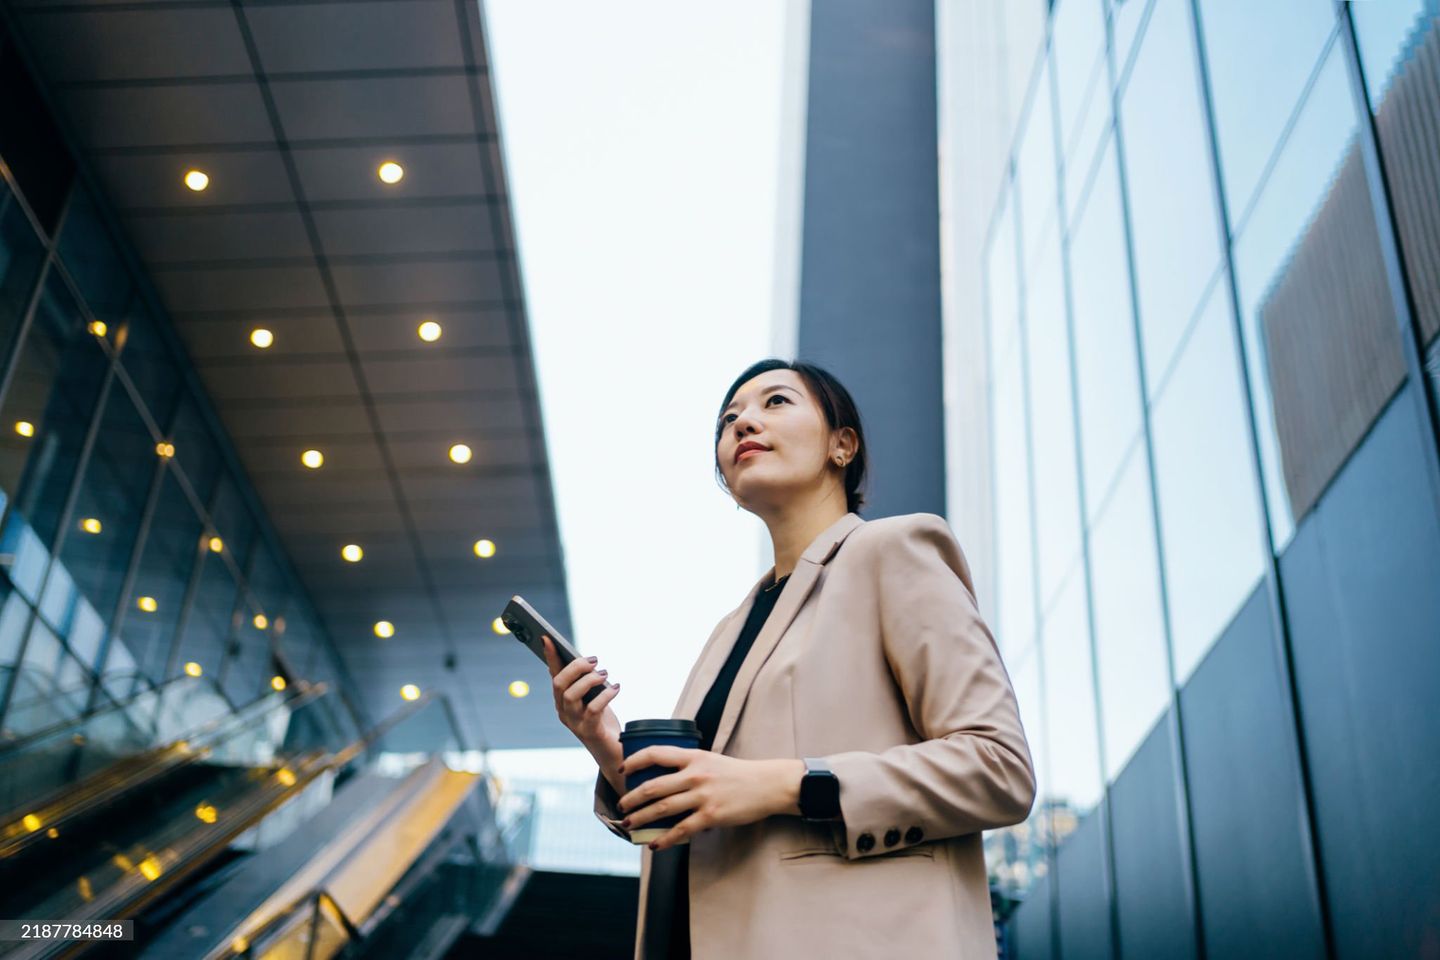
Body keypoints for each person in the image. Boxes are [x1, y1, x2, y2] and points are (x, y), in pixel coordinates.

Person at [541, 358, 1036, 959]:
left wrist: (784, 783)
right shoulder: (731, 628)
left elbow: (999, 769)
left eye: (775, 402)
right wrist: (603, 741)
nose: (743, 422)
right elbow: (700, 805)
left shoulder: (894, 551)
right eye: (729, 419)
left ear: (842, 445)